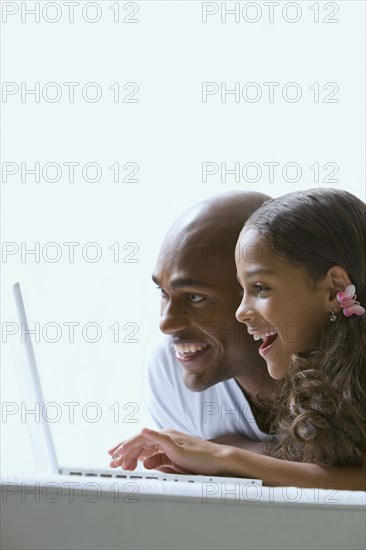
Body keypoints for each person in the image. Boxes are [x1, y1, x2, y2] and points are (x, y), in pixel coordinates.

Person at [109, 188, 366, 490]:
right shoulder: (170, 375)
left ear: (333, 287)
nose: (242, 312)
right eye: (163, 294)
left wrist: (226, 456)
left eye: (260, 288)